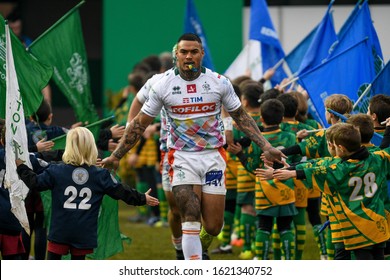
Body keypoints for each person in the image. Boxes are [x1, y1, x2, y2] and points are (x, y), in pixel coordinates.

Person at [101, 33, 285, 260]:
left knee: (214, 226)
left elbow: (241, 117)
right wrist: (118, 155)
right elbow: (140, 123)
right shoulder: (163, 84)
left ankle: (197, 250)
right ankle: (189, 260)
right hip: (180, 157)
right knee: (188, 213)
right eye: (184, 52)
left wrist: (266, 145)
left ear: (201, 54)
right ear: (176, 54)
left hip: (213, 158)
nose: (189, 56)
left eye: (194, 52)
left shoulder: (219, 82)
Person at [16, 127, 159, 260]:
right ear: (92, 147)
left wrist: (21, 167)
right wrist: (142, 198)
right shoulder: (100, 175)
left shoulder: (56, 171)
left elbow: (35, 183)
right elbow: (121, 191)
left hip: (60, 231)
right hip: (84, 234)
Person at [269, 123, 390, 260]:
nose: (329, 146)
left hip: (358, 229)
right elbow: (386, 148)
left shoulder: (340, 169)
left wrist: (289, 173)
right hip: (379, 226)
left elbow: (316, 170)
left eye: (330, 144)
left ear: (341, 148)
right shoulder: (377, 158)